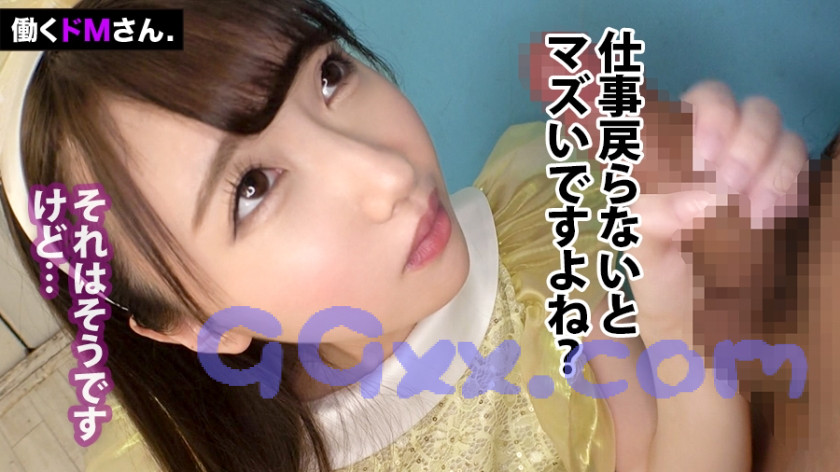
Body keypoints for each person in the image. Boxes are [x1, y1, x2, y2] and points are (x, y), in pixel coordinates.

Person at [0, 0, 807, 470]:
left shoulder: (553, 264)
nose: (386, 173)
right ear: (188, 323)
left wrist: (686, 331)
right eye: (252, 189)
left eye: (329, 75)